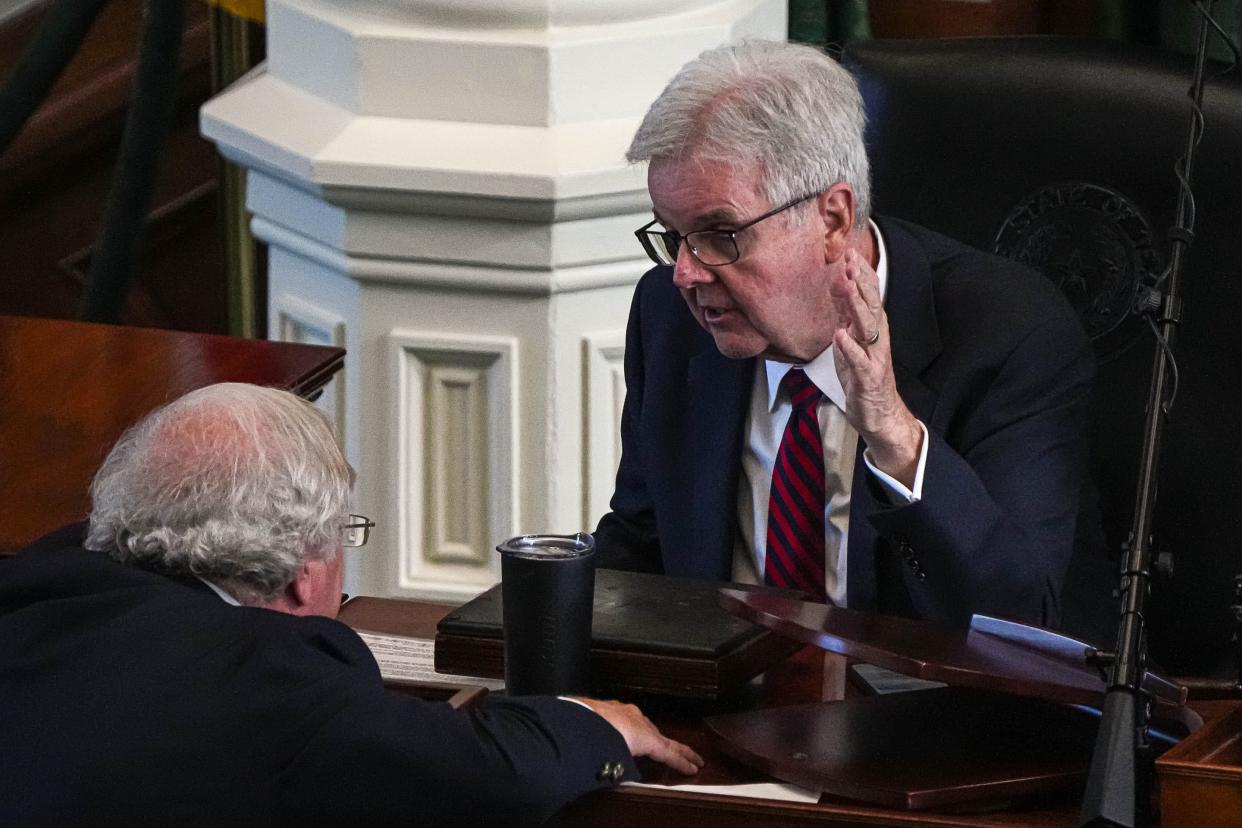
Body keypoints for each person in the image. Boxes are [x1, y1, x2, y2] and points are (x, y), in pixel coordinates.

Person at [0, 383, 701, 826]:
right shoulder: (262, 672)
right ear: (307, 571)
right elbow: (487, 780)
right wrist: (593, 726)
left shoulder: (40, 579)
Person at [594, 39, 1098, 630]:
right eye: (673, 236)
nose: (685, 272)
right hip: (719, 706)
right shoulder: (670, 320)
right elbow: (641, 544)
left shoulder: (1009, 336)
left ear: (832, 219)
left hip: (926, 710)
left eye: (719, 234)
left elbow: (1019, 618)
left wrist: (895, 436)